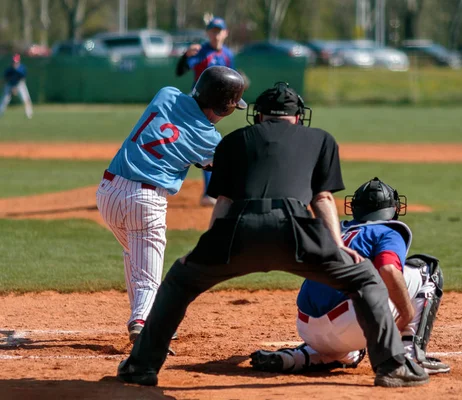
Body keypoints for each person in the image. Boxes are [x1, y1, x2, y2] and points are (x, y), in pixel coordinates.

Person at [116, 82, 430, 389]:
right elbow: (321, 200)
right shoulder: (321, 140)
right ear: (297, 116)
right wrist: (337, 245)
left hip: (238, 229)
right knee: (363, 279)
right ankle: (392, 366)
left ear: (260, 116)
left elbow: (223, 202)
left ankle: (141, 366)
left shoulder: (233, 141)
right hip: (296, 230)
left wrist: (204, 249)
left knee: (178, 282)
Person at [96, 66, 246, 345]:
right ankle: (144, 324)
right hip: (145, 201)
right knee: (149, 278)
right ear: (223, 108)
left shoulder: (166, 95)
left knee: (135, 256)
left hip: (107, 192)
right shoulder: (211, 140)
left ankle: (149, 317)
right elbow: (222, 167)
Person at [249, 177, 449, 375]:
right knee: (427, 269)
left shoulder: (334, 232)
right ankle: (411, 355)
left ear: (354, 207)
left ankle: (296, 357)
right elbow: (388, 270)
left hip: (307, 327)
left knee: (350, 350)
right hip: (353, 324)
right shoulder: (387, 230)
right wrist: (406, 314)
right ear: (393, 209)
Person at [175, 16, 236, 207]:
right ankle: (209, 194)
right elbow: (180, 71)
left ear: (225, 33)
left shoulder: (228, 54)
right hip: (198, 103)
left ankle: (209, 192)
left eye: (219, 31)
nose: (216, 34)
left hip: (215, 106)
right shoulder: (201, 52)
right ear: (208, 33)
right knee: (206, 146)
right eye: (213, 31)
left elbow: (231, 78)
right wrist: (185, 56)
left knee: (203, 145)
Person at [0, 54, 33, 119]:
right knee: (4, 100)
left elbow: (22, 79)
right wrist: (11, 87)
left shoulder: (22, 69)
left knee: (25, 99)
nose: (14, 63)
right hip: (9, 85)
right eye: (13, 62)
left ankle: (29, 114)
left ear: (19, 62)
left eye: (16, 62)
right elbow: (6, 80)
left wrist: (15, 88)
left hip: (20, 85)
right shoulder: (9, 70)